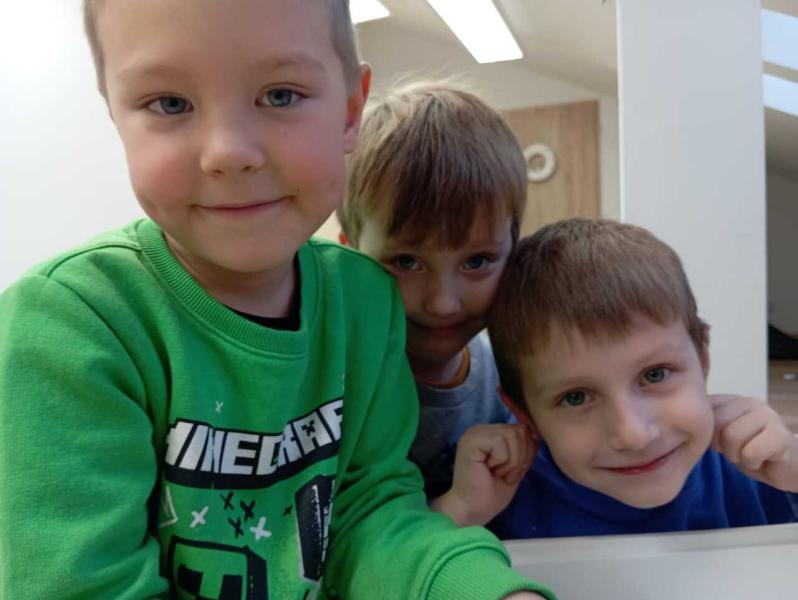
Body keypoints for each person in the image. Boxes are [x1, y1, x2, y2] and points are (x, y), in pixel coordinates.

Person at [0, 2, 555, 598]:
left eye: (281, 95)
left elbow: (369, 515)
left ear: (350, 111)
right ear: (114, 113)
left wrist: (488, 590)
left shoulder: (364, 302)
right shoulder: (72, 324)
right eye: (170, 103)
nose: (228, 152)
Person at [442, 218, 798, 537]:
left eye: (655, 375)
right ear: (525, 414)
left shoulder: (754, 469)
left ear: (703, 356)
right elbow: (413, 563)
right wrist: (462, 512)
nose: (633, 435)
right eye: (576, 397)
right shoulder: (499, 495)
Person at [336, 80, 530, 505]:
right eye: (407, 262)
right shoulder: (334, 387)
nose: (442, 303)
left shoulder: (516, 373)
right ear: (348, 253)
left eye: (477, 261)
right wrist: (458, 508)